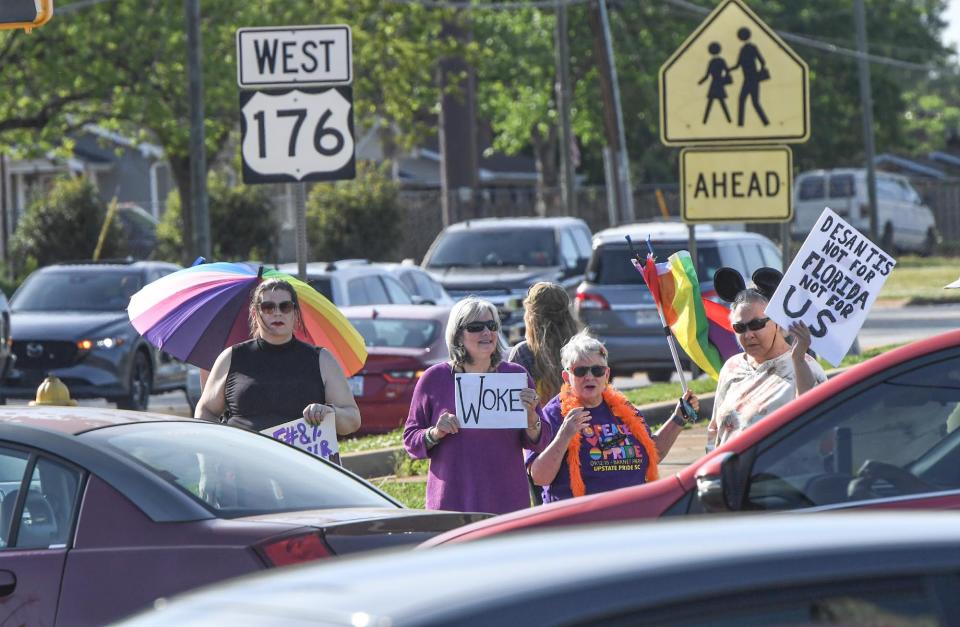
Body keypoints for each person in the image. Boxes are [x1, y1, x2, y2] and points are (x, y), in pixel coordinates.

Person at [403, 296, 550, 514]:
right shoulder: (435, 378)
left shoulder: (515, 376)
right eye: (475, 327)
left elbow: (541, 441)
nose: (486, 333)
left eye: (491, 326)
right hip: (453, 500)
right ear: (458, 335)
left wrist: (531, 420)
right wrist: (435, 433)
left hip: (506, 501)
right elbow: (411, 440)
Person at [527, 331, 700, 503]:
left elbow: (652, 452)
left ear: (607, 374)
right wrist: (564, 436)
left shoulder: (623, 409)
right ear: (566, 376)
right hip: (579, 521)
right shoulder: (553, 415)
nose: (589, 376)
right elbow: (540, 477)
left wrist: (678, 418)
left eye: (597, 370)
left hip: (630, 515)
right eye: (580, 371)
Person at [195, 278, 361, 436]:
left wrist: (329, 412)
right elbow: (206, 410)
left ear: (295, 313)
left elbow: (352, 419)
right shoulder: (231, 357)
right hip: (242, 462)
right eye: (268, 307)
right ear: (255, 312)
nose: (277, 313)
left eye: (285, 307)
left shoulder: (322, 359)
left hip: (299, 463)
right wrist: (213, 450)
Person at [707, 288, 826, 450]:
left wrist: (798, 360)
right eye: (740, 328)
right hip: (729, 472)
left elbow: (817, 427)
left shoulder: (806, 367)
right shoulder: (731, 367)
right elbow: (715, 429)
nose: (748, 335)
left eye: (756, 324)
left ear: (776, 323)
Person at [508, 282, 579, 403]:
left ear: (531, 316)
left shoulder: (524, 352)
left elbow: (511, 403)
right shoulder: (583, 350)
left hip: (537, 421)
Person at [698, 41, 733, 124]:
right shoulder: (721, 61)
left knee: (712, 103)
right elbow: (727, 71)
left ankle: (705, 121)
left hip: (714, 84)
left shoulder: (712, 62)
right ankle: (729, 120)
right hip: (719, 83)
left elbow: (707, 75)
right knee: (720, 103)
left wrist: (700, 82)